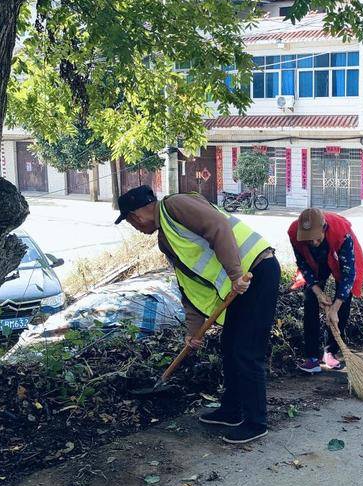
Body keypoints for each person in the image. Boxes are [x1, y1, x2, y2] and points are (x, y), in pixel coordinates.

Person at [116, 185, 280, 444]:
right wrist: (193, 332)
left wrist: (236, 275)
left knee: (246, 350)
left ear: (136, 215)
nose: (134, 227)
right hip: (237, 287)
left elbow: (219, 227)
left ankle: (255, 422)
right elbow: (189, 284)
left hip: (256, 272)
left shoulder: (175, 206)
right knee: (229, 346)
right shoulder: (165, 238)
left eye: (130, 221)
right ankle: (232, 409)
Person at [288, 208, 363, 374]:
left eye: (317, 238)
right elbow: (303, 266)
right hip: (315, 261)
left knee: (344, 301)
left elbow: (348, 274)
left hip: (340, 257)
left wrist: (334, 309)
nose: (314, 242)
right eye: (309, 240)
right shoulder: (295, 233)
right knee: (310, 300)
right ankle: (312, 357)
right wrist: (319, 293)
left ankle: (330, 352)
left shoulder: (341, 233)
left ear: (324, 229)